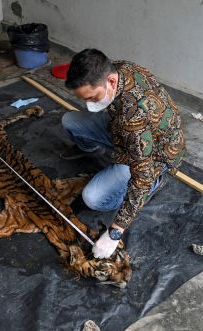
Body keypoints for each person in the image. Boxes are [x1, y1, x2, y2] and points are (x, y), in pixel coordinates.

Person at [62, 49, 186, 259]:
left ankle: (157, 180)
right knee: (70, 121)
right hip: (122, 132)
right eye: (84, 99)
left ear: (110, 81)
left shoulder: (133, 120)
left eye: (93, 97)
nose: (89, 104)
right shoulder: (120, 69)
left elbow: (142, 175)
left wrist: (115, 233)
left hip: (155, 155)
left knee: (93, 199)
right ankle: (103, 156)